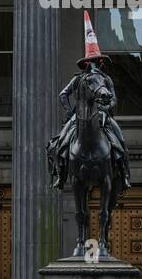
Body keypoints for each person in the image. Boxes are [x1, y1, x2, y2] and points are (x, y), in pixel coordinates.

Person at [47, 12, 131, 191]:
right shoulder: (78, 79)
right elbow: (63, 94)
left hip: (102, 116)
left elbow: (113, 99)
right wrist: (70, 111)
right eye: (91, 61)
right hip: (79, 115)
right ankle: (59, 174)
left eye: (97, 61)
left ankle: (124, 175)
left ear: (101, 62)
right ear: (86, 64)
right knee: (60, 142)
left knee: (121, 142)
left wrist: (105, 107)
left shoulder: (105, 79)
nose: (95, 64)